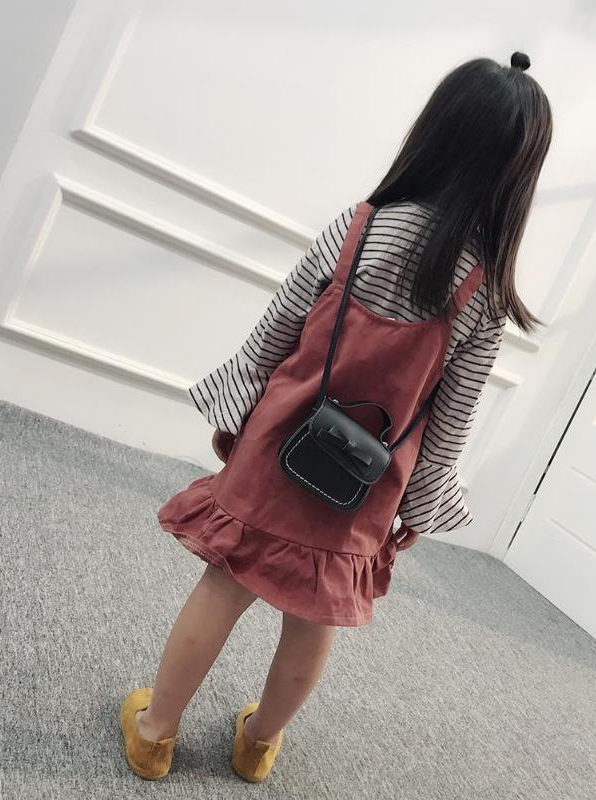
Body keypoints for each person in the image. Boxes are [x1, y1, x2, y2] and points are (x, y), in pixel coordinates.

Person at [119, 51, 553, 783]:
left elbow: (274, 336)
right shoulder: (486, 293)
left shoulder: (359, 227)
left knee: (225, 584)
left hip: (279, 445)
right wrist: (419, 505)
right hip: (366, 484)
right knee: (314, 614)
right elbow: (450, 423)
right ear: (517, 173)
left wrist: (237, 419)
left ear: (436, 133)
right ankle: (257, 744)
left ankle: (154, 733)